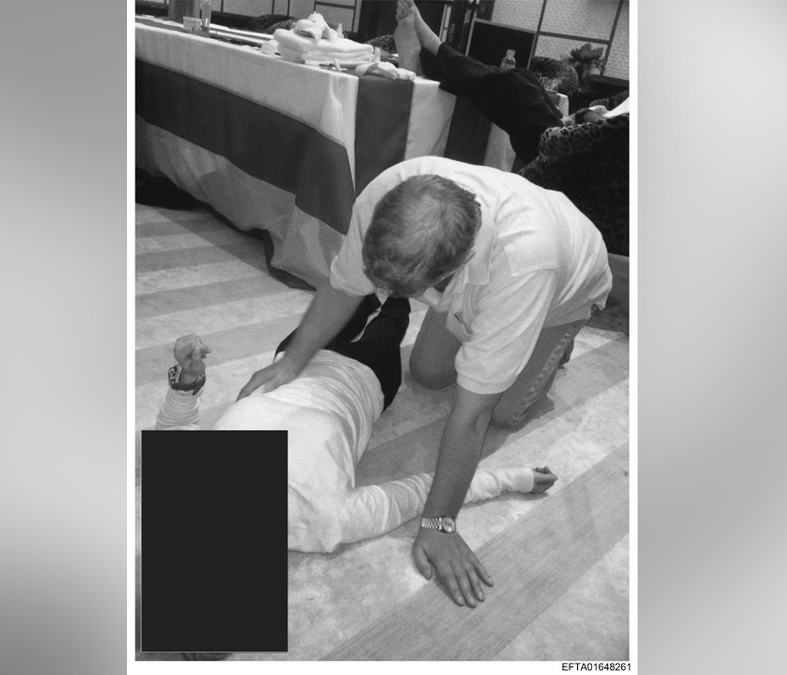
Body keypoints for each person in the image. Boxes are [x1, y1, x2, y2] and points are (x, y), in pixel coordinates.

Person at [237, 154, 610, 607]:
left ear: (464, 260)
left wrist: (440, 523)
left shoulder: (525, 266)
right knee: (429, 374)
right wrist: (292, 361)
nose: (395, 299)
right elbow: (342, 287)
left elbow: (473, 416)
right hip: (498, 261)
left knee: (503, 411)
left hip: (564, 285)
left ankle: (557, 339)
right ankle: (500, 337)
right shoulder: (384, 194)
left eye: (411, 292)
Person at [155, 295, 558, 564]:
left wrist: (187, 379)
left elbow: (175, 428)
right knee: (393, 315)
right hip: (363, 377)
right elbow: (419, 493)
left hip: (291, 358)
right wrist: (512, 479)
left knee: (351, 297)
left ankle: (369, 290)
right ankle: (394, 297)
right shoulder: (324, 522)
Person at [393, 0, 630, 256]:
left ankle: (432, 53)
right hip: (584, 147)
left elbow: (601, 132)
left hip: (579, 166)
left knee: (517, 91)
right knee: (524, 77)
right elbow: (609, 106)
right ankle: (427, 65)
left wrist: (585, 116)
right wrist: (589, 114)